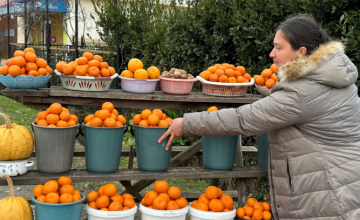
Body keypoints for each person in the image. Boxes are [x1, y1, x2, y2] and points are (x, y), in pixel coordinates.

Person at [158, 15, 360, 220]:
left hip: (326, 197)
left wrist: (187, 123)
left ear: (301, 52)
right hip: (347, 185)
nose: (272, 54)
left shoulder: (299, 95)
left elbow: (244, 118)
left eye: (279, 47)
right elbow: (301, 106)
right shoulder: (338, 80)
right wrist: (273, 94)